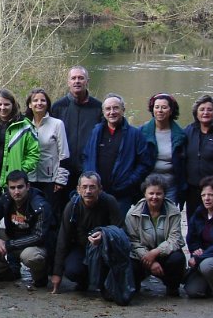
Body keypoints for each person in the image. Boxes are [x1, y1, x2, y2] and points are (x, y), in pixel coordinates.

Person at [82, 94, 156, 216]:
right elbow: (86, 156)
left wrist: (130, 181)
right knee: (96, 225)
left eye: (116, 108)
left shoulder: (135, 134)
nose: (112, 112)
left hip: (122, 194)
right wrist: (89, 178)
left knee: (118, 225)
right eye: (108, 109)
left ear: (123, 110)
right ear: (103, 112)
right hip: (97, 192)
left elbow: (145, 163)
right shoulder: (96, 132)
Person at [50, 171, 123, 293]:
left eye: (92, 187)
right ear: (78, 189)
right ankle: (84, 282)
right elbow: (63, 239)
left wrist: (104, 235)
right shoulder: (72, 206)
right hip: (81, 247)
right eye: (84, 187)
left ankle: (105, 283)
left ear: (100, 189)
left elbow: (120, 230)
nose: (88, 191)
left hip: (105, 248)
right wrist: (57, 273)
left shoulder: (110, 202)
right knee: (72, 270)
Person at [0, 170, 52, 287]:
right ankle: (0, 272)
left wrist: (8, 245)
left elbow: (39, 236)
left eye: (20, 187)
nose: (16, 192)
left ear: (27, 186)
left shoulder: (40, 205)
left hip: (34, 245)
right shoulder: (6, 198)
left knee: (30, 257)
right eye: (12, 188)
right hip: (13, 238)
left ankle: (40, 277)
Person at [0, 88, 40, 211]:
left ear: (13, 105)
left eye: (6, 104)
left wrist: (22, 170)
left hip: (14, 180)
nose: (2, 108)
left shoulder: (24, 125)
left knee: (14, 216)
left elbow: (34, 153)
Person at [125, 174, 186, 297]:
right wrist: (149, 259)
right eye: (151, 193)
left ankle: (172, 286)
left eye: (159, 194)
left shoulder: (173, 211)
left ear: (164, 194)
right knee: (130, 263)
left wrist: (156, 252)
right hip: (142, 255)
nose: (154, 197)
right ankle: (136, 284)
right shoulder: (132, 213)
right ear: (145, 194)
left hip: (165, 254)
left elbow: (175, 239)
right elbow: (133, 241)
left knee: (178, 259)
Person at [51, 66, 103, 203]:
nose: (77, 81)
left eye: (81, 78)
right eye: (73, 78)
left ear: (87, 81)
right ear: (68, 82)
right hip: (63, 169)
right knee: (62, 206)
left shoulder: (98, 108)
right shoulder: (58, 107)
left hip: (89, 168)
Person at [25, 88, 70, 222]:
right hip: (30, 178)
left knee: (50, 216)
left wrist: (60, 180)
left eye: (43, 100)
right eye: (35, 100)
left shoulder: (57, 124)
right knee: (31, 215)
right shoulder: (24, 125)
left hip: (51, 180)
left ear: (47, 104)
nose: (39, 103)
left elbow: (64, 154)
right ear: (30, 104)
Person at [140, 93, 187, 206]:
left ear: (171, 111)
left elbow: (183, 163)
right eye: (157, 107)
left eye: (164, 107)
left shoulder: (180, 135)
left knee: (169, 214)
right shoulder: (142, 132)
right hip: (147, 183)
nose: (160, 110)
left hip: (170, 184)